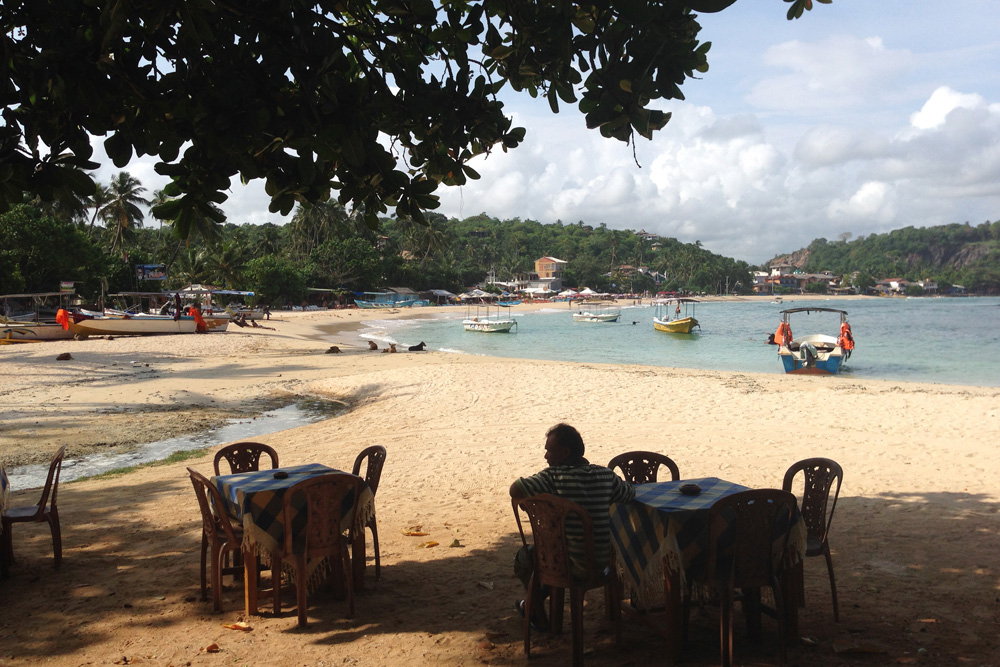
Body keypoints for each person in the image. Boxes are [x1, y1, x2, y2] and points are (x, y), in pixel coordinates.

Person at [509, 423, 635, 630]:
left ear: (565, 452)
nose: (546, 457)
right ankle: (532, 606)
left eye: (549, 450)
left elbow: (515, 489)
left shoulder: (552, 477)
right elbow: (629, 493)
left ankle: (535, 611)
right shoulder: (605, 475)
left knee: (524, 559)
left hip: (564, 566)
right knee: (553, 554)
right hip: (600, 563)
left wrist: (539, 504)